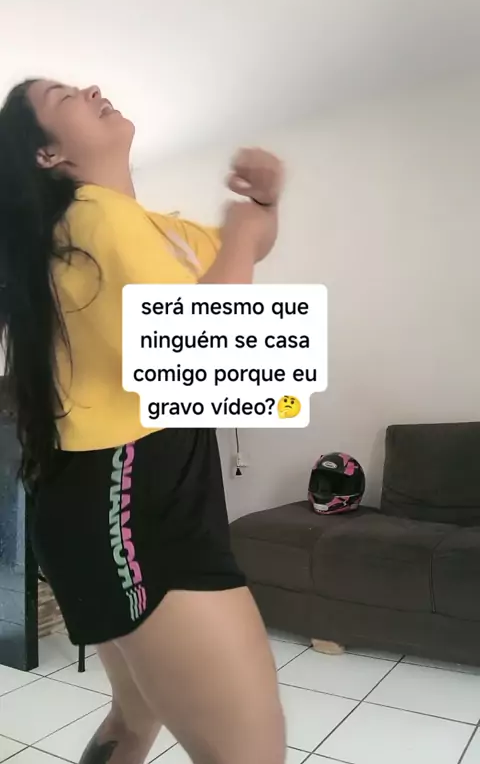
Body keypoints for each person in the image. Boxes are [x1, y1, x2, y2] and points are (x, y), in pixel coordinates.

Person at [0, 79, 286, 764]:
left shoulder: (140, 225)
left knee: (135, 719)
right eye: (65, 95)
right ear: (46, 155)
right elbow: (205, 358)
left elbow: (249, 249)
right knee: (250, 754)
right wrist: (247, 230)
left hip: (112, 498)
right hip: (132, 501)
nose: (92, 88)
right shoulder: (94, 220)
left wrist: (259, 212)